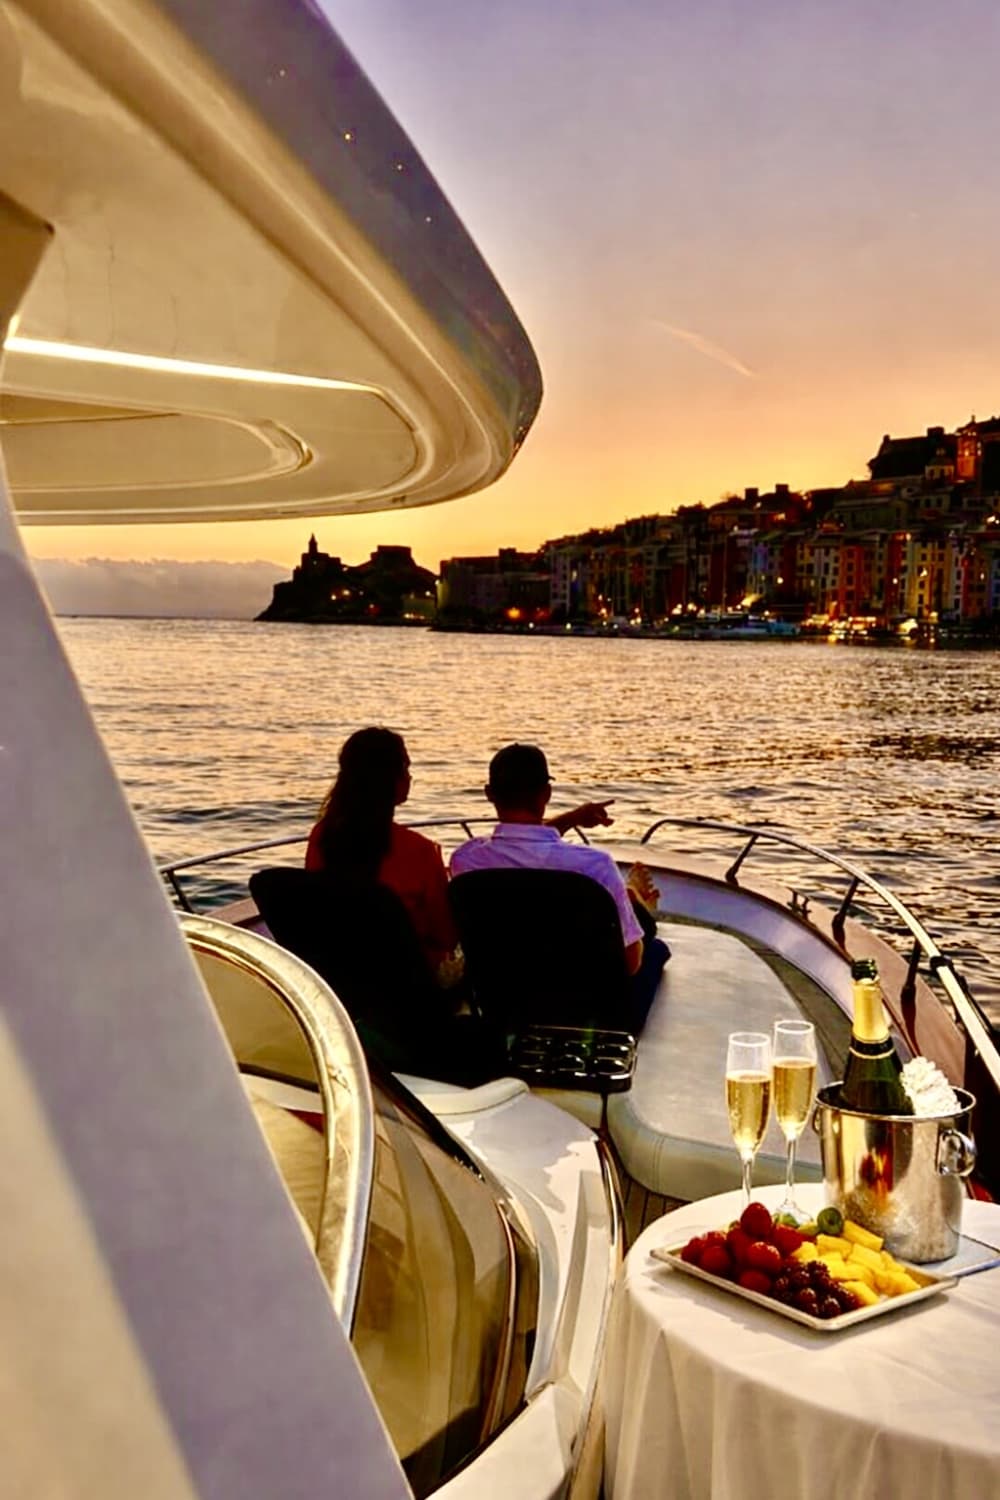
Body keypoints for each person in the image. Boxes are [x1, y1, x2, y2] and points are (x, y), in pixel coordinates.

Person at [450, 743, 669, 1031]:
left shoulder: (466, 861)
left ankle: (635, 907)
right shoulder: (595, 867)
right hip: (591, 1015)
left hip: (506, 1006)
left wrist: (573, 818)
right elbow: (630, 964)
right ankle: (637, 910)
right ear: (547, 793)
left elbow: (520, 847)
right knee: (654, 949)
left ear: (489, 793)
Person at [306, 727, 459, 978]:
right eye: (405, 768)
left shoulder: (321, 837)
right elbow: (446, 935)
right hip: (409, 981)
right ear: (389, 778)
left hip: (339, 977)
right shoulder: (419, 851)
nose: (409, 777)